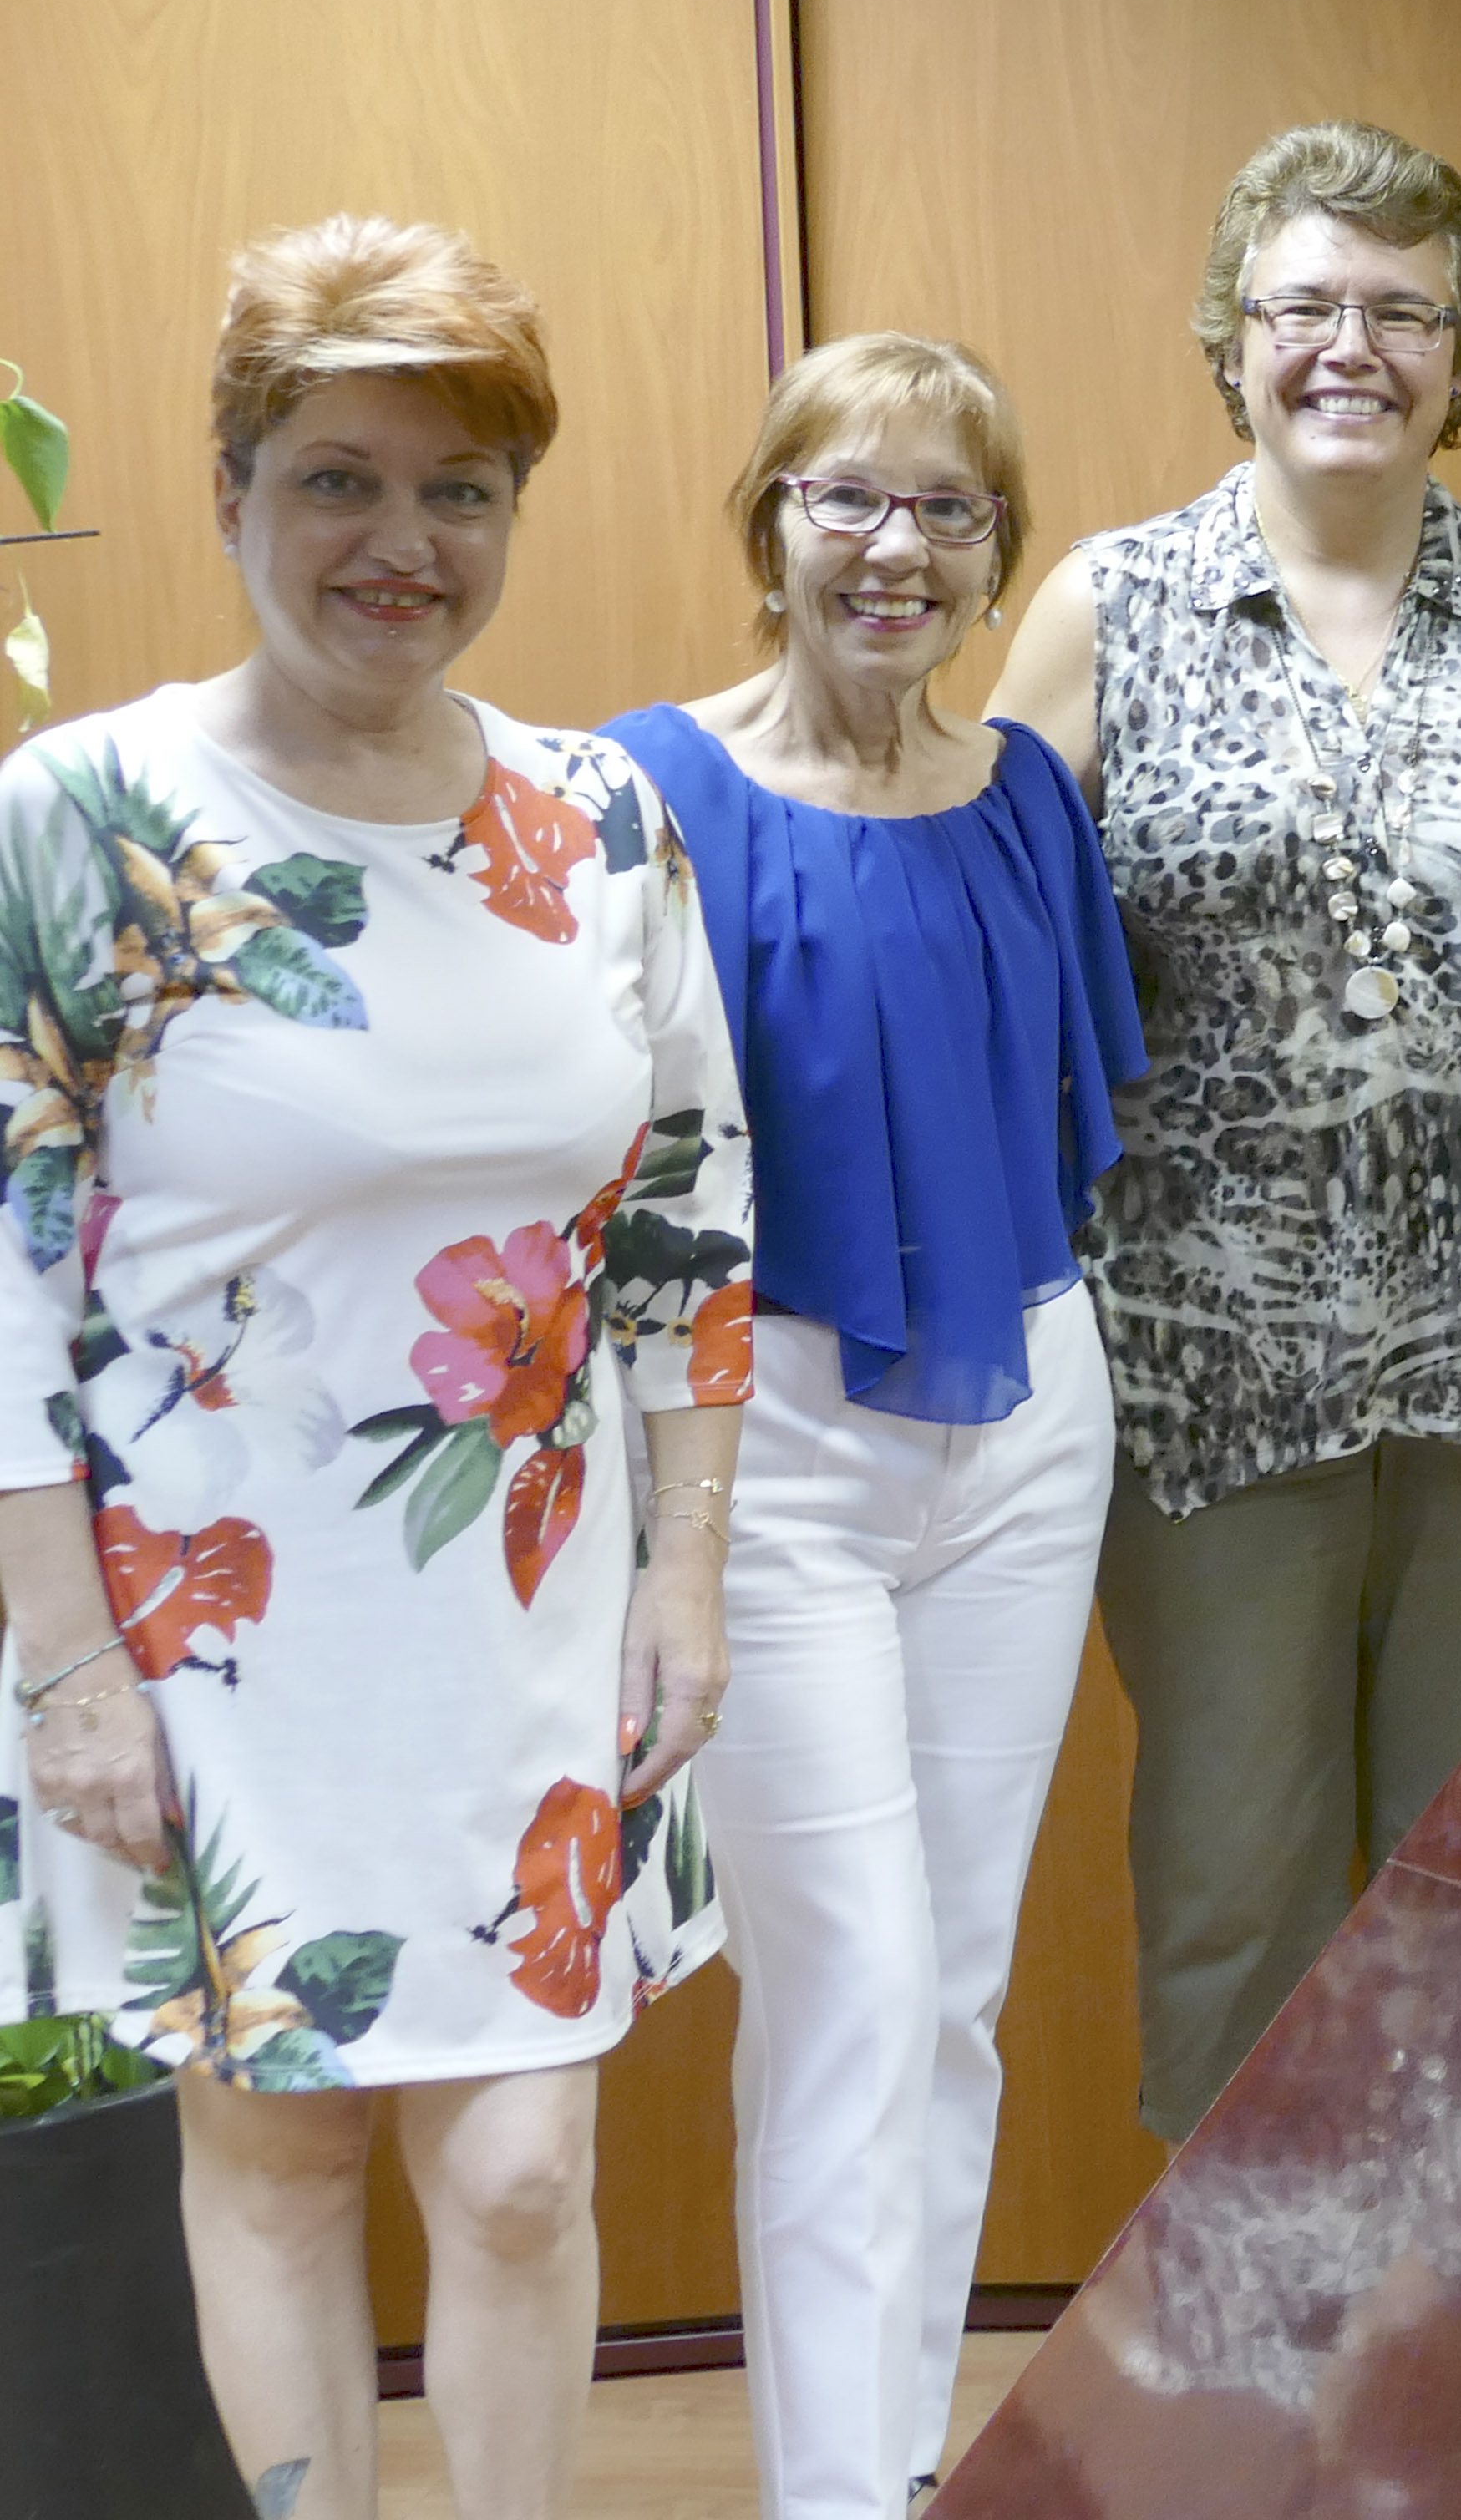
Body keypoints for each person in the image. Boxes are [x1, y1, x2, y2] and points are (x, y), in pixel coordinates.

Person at [0, 220, 753, 2520]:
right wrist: (67, 1669)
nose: (399, 542)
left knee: (522, 2169)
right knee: (284, 2153)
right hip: (207, 1622)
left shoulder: (600, 819)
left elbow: (688, 1222)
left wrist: (690, 1572)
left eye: (460, 489)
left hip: (531, 1597)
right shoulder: (86, 819)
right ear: (229, 491)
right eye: (338, 477)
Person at [987, 120, 1461, 2142]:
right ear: (1232, 337)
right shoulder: (1111, 607)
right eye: (1305, 304)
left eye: (1403, 313)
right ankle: (1247, 2324)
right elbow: (987, 957)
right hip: (1201, 1372)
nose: (1349, 348)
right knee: (1234, 1891)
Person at [610, 335, 1141, 2520]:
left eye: (948, 507)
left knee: (958, 1993)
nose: (895, 546)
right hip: (772, 1453)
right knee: (849, 1989)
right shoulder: (648, 792)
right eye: (848, 496)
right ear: (773, 528)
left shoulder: (1026, 797)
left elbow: (1067, 1115)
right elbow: (615, 1172)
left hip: (1028, 1418)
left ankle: (898, 2471)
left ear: (1000, 552)